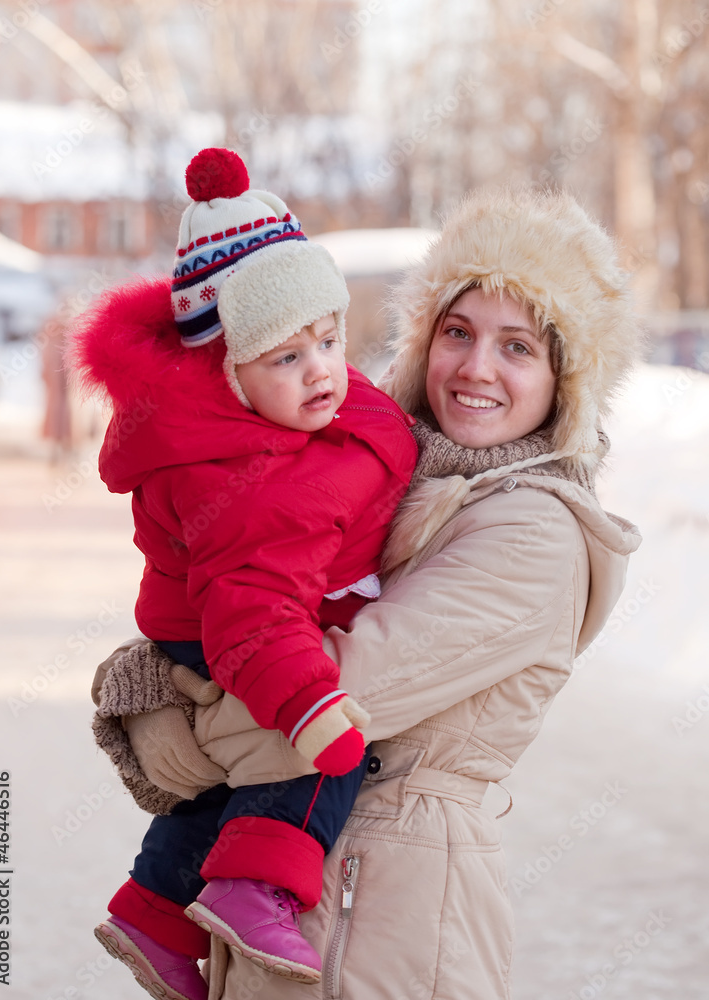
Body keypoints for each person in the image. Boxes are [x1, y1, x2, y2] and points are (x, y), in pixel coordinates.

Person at [93, 184, 642, 1000]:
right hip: (286, 905)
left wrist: (170, 706)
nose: (476, 368)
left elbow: (341, 688)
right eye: (457, 332)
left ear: (567, 378)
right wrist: (159, 672)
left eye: (519, 347)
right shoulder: (374, 470)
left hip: (387, 922)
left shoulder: (535, 532)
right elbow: (244, 582)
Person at [68, 148, 417, 999]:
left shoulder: (282, 419)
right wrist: (306, 702)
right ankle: (253, 887)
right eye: (286, 359)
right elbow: (252, 609)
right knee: (317, 751)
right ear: (227, 373)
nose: (323, 371)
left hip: (225, 618)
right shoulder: (244, 475)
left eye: (328, 341)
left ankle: (154, 908)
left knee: (222, 777)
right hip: (227, 630)